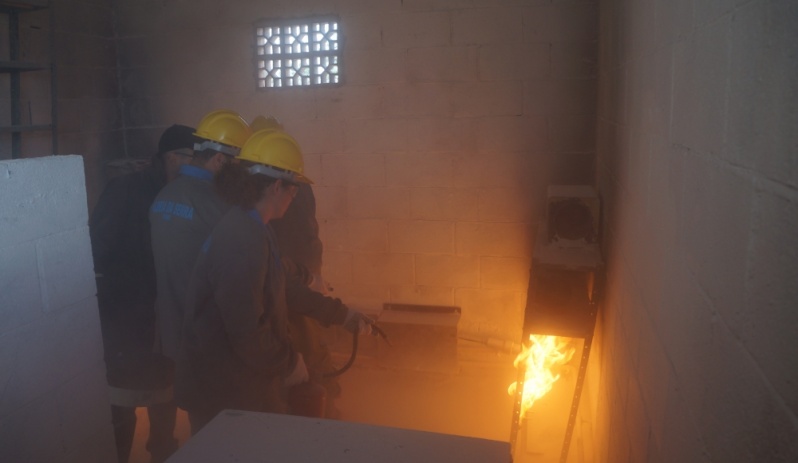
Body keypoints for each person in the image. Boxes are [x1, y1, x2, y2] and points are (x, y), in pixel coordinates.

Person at [174, 128, 376, 434]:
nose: (295, 198)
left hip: (235, 379)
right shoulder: (242, 241)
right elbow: (245, 332)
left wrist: (340, 314)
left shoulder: (255, 226)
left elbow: (283, 287)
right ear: (278, 187)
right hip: (219, 391)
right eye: (294, 190)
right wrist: (288, 363)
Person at [89, 124, 195, 463]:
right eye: (183, 157)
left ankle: (162, 453)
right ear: (166, 158)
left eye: (195, 158)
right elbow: (97, 249)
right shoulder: (125, 190)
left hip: (162, 318)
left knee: (164, 400)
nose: (188, 165)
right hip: (126, 318)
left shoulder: (185, 195)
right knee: (122, 403)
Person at [148, 109, 251, 459]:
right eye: (239, 163)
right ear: (220, 160)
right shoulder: (219, 205)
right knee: (226, 434)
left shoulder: (165, 196)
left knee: (202, 427)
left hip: (177, 336)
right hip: (214, 342)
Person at [254, 115, 343, 419]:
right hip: (291, 271)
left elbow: (300, 233)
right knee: (302, 340)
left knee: (308, 344)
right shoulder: (287, 182)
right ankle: (316, 399)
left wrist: (306, 277)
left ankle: (326, 403)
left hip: (294, 273)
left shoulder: (286, 185)